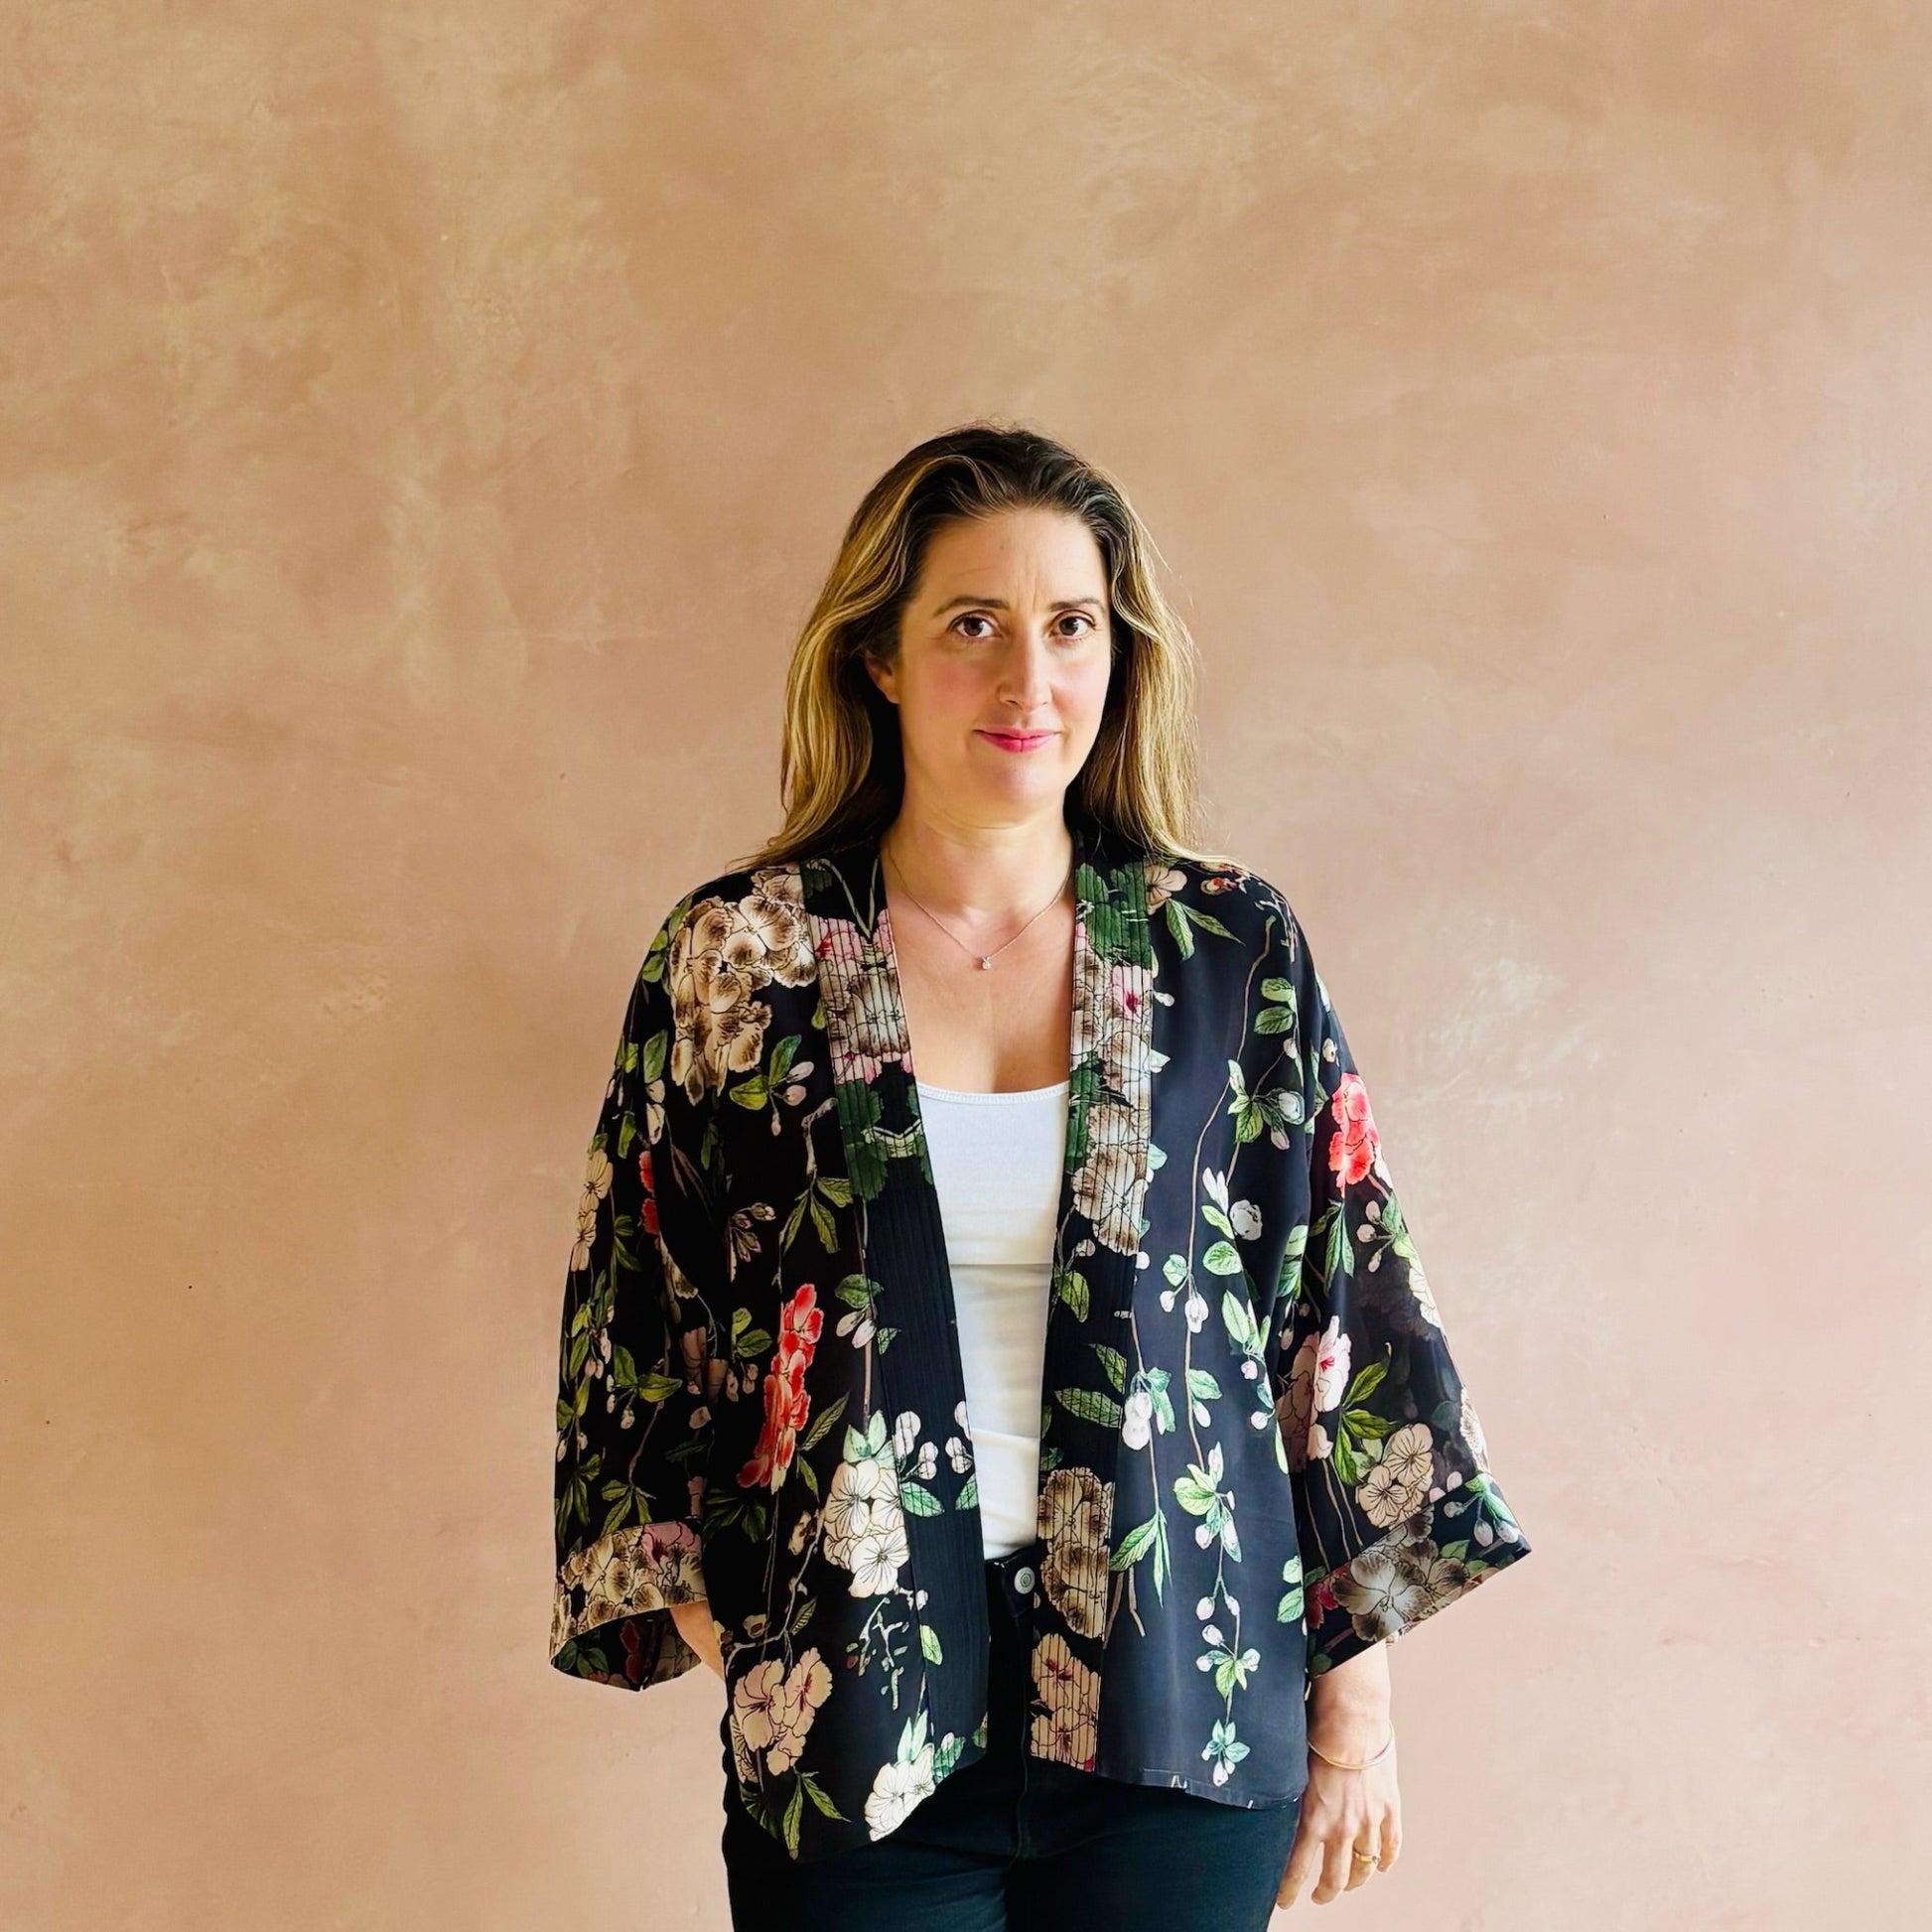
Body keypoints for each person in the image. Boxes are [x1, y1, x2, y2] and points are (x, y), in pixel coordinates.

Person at [549, 422, 1533, 1928]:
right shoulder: (733, 956)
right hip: (853, 1700)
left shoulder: (1229, 950)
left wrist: (1356, 1712)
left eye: (1070, 625)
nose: (1027, 680)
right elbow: (638, 1308)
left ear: (1116, 655)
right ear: (878, 656)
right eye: (971, 624)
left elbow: (1330, 1324)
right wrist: (730, 1624)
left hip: (1178, 1703)